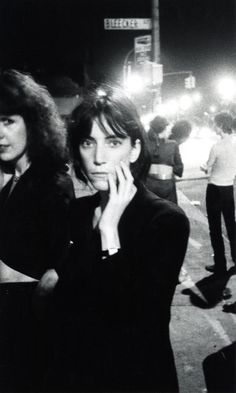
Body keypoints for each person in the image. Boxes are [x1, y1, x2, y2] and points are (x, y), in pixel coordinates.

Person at [48, 85, 190, 393]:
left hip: (136, 378)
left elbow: (140, 321)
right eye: (88, 142)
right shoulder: (76, 212)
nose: (98, 157)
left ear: (135, 149)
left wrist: (109, 231)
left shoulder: (165, 220)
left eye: (113, 142)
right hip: (79, 376)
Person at [0, 69, 74, 392]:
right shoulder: (13, 180)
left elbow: (62, 267)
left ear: (33, 122)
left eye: (8, 121)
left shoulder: (50, 182)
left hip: (27, 325)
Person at [200, 112, 236, 276]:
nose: (214, 126)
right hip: (228, 189)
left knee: (215, 228)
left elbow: (207, 168)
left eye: (215, 124)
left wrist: (204, 167)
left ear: (221, 125)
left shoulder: (217, 146)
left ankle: (220, 264)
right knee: (231, 226)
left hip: (214, 189)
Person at [146, 115, 184, 204]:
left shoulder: (145, 144)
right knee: (169, 212)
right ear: (164, 129)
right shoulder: (172, 144)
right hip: (166, 186)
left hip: (148, 185)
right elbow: (179, 167)